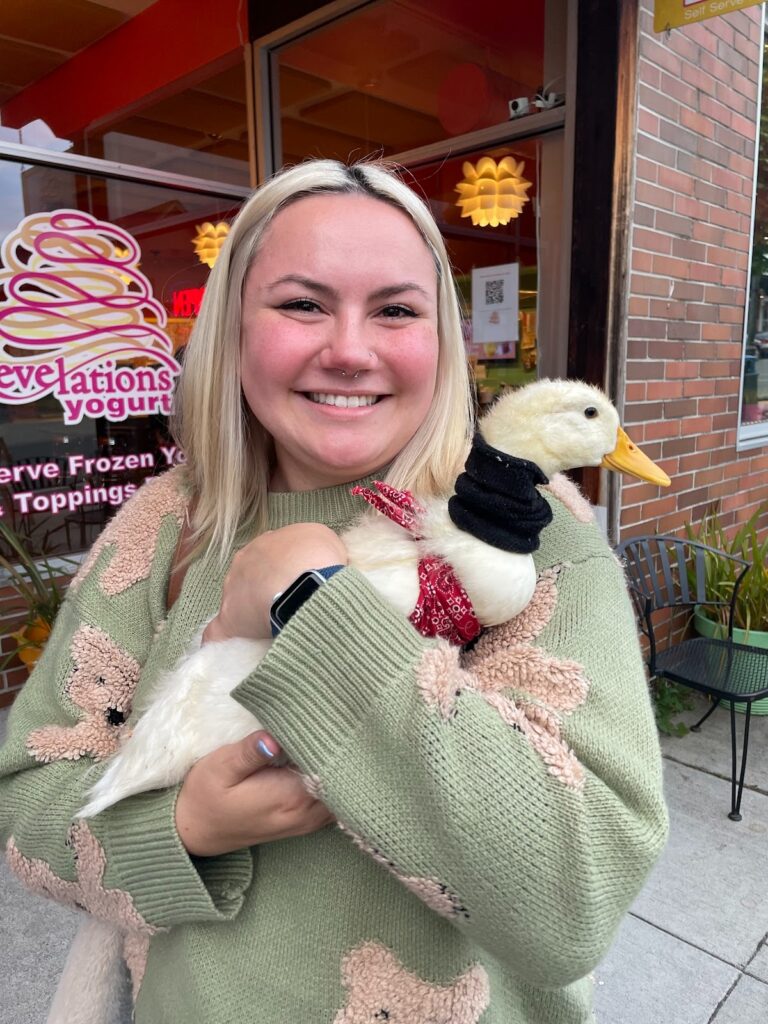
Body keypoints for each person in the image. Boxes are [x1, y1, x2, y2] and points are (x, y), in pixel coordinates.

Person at [0, 160, 668, 1024]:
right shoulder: (161, 525)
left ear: (443, 339)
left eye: (395, 309)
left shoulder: (541, 535)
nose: (350, 350)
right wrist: (184, 828)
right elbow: (27, 802)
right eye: (302, 304)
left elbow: (576, 897)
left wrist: (308, 600)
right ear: (237, 328)